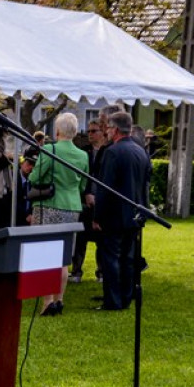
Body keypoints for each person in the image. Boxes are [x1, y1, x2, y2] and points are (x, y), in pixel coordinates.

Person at [28, 112, 89, 315]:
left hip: (50, 204)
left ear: (57, 131)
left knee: (46, 254)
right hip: (72, 206)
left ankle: (47, 302)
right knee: (63, 257)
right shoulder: (83, 155)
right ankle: (59, 299)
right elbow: (83, 184)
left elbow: (35, 177)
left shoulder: (49, 149)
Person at [92, 111, 151, 311]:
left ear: (115, 129)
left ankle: (113, 300)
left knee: (111, 258)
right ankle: (126, 296)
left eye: (108, 128)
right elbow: (145, 183)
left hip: (114, 215)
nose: (106, 132)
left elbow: (105, 187)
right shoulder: (140, 150)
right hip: (135, 213)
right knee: (128, 258)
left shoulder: (113, 152)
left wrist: (97, 216)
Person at [70, 118, 105, 283]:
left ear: (102, 132)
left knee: (102, 240)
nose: (90, 134)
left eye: (93, 131)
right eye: (88, 131)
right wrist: (86, 193)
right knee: (80, 238)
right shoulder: (83, 152)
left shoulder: (108, 151)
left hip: (103, 201)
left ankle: (102, 272)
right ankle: (76, 272)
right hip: (85, 201)